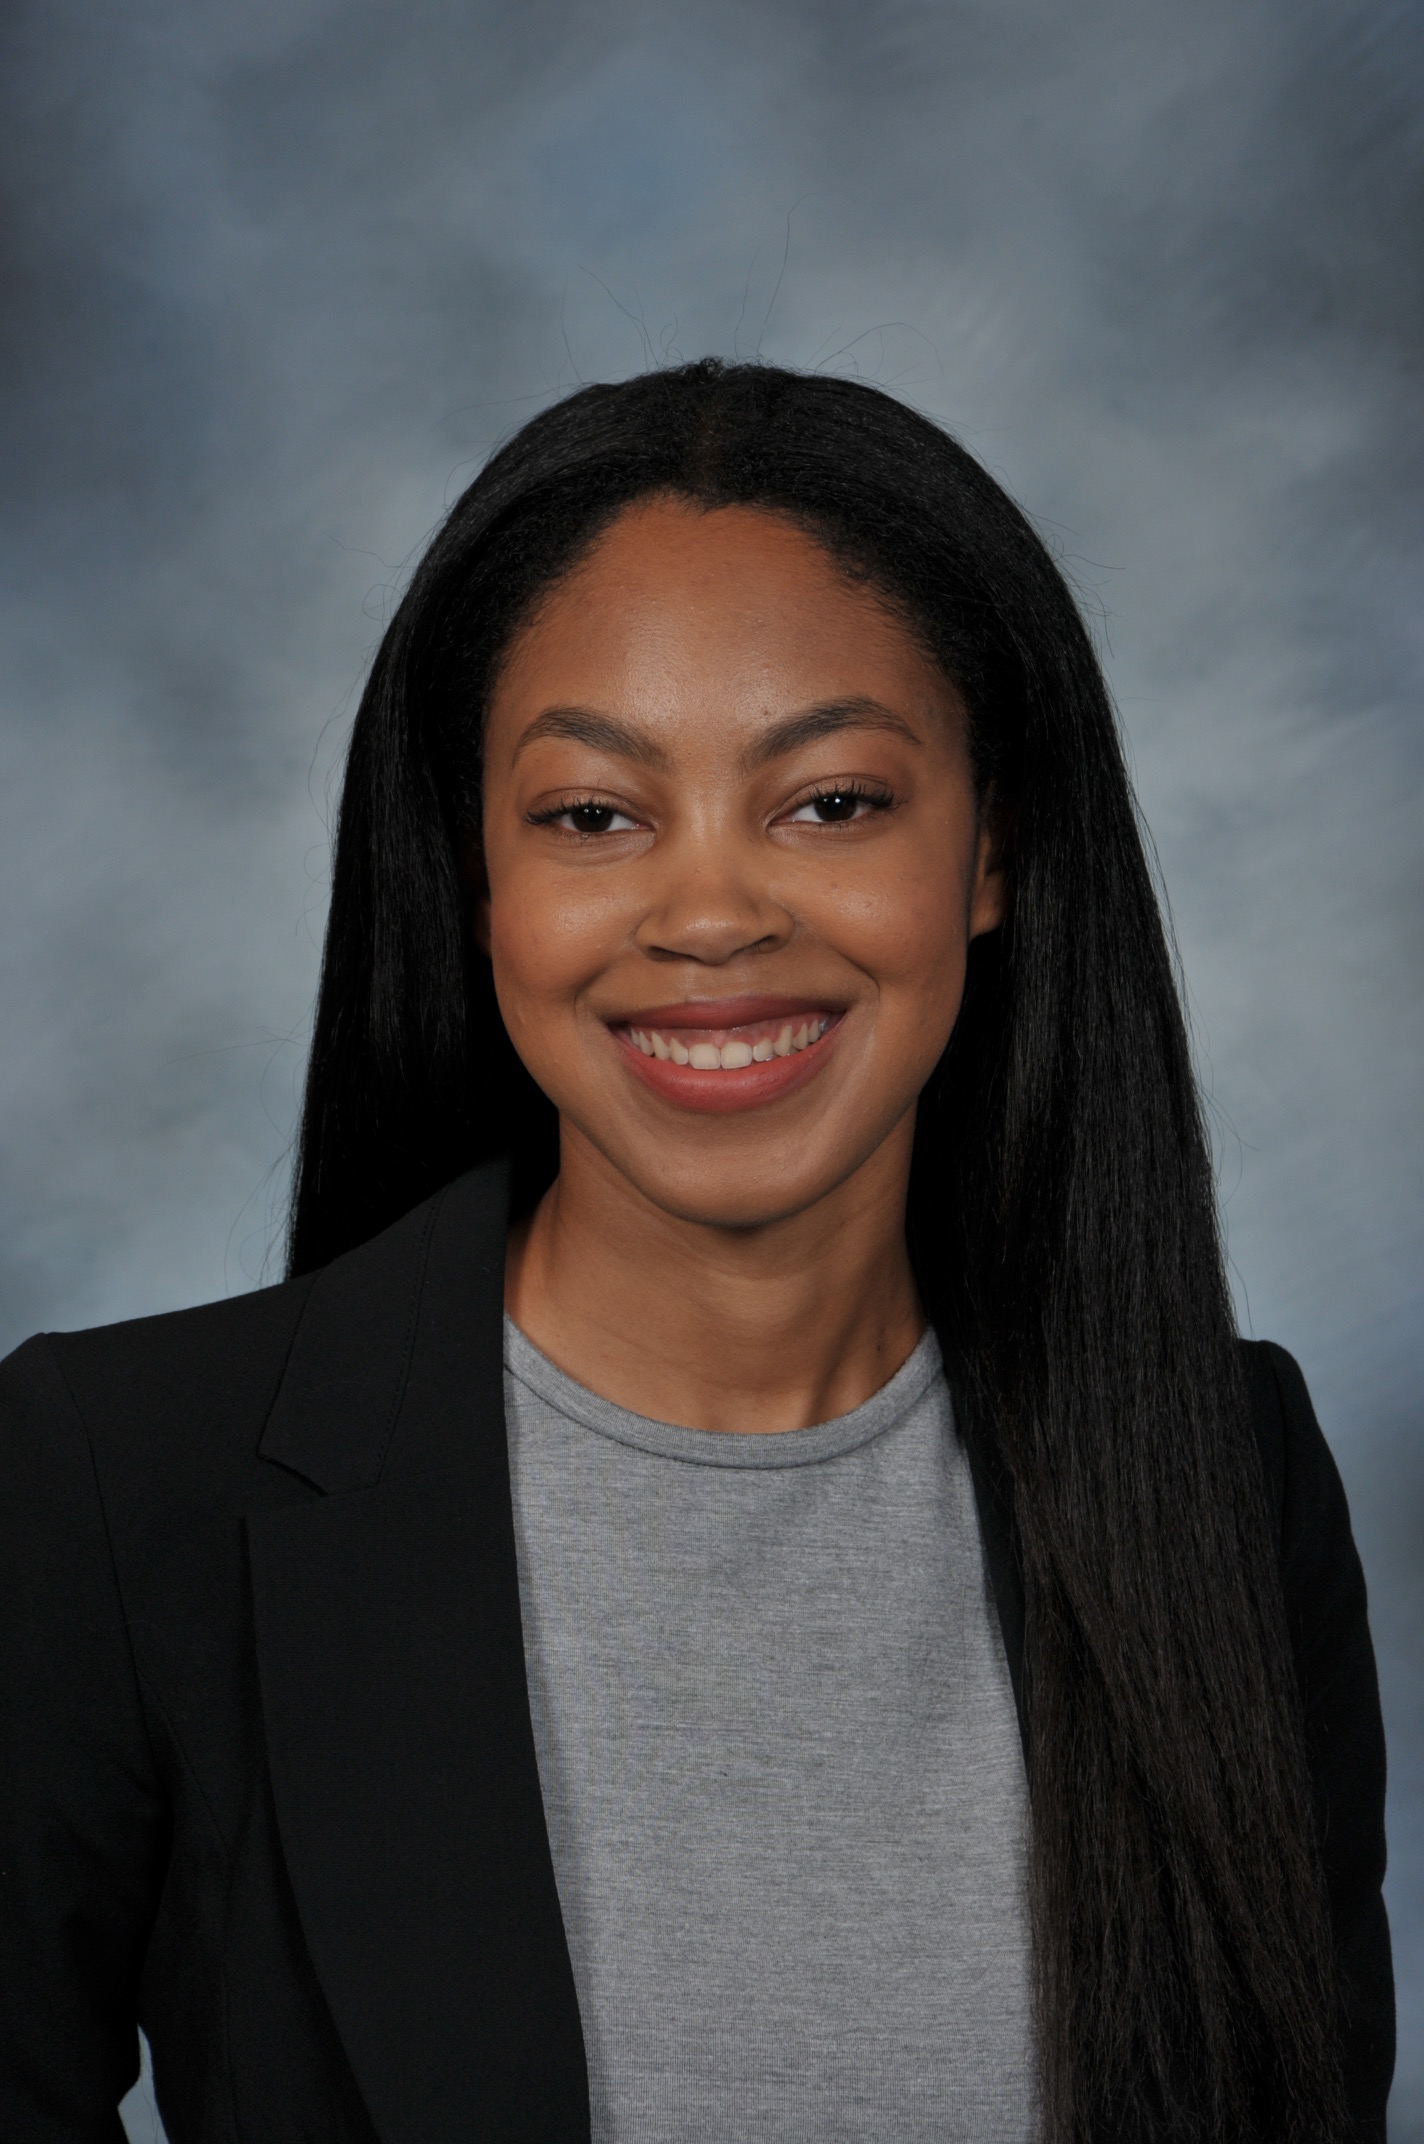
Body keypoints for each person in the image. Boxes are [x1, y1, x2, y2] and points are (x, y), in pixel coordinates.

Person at [0, 360, 1392, 2144]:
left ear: (994, 848)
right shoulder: (122, 1497)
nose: (714, 910)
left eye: (833, 802)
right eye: (594, 815)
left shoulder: (1227, 1483)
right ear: (472, 873)